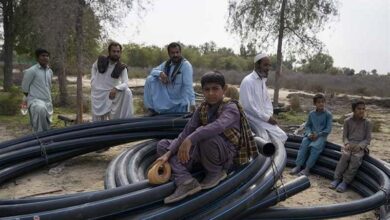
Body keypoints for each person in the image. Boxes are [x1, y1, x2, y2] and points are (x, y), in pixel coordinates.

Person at [155, 71, 258, 204]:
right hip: (202, 152)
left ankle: (215, 173)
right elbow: (187, 131)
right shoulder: (202, 108)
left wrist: (190, 140)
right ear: (202, 91)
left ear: (224, 89)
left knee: (206, 137)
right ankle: (186, 181)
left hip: (225, 156)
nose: (211, 93)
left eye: (215, 89)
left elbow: (218, 126)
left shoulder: (231, 107)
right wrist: (169, 153)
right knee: (163, 145)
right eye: (207, 90)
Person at [239, 53, 288, 144]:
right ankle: (271, 158)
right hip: (251, 119)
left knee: (281, 136)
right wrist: (267, 118)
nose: (268, 68)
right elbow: (248, 107)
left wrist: (269, 115)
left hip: (261, 118)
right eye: (265, 65)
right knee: (281, 136)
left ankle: (273, 157)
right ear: (257, 65)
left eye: (269, 65)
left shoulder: (262, 81)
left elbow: (267, 102)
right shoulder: (248, 81)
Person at [329, 100, 372, 192]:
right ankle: (336, 179)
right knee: (345, 157)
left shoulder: (367, 123)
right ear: (353, 110)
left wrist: (360, 146)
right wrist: (346, 143)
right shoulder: (347, 121)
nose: (361, 111)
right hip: (349, 144)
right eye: (359, 109)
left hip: (360, 146)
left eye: (363, 109)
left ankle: (345, 182)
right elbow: (344, 136)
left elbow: (368, 139)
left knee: (355, 160)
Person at [143, 42, 195, 115]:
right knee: (150, 79)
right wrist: (161, 73)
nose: (175, 55)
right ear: (169, 54)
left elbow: (188, 85)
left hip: (179, 102)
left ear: (180, 52)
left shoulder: (186, 65)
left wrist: (192, 103)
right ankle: (151, 109)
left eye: (177, 52)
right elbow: (153, 71)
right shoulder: (166, 64)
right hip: (167, 99)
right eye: (172, 53)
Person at [290, 93, 333, 176]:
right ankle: (298, 166)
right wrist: (309, 134)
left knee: (314, 148)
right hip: (310, 135)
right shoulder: (311, 114)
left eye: (323, 102)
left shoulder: (328, 115)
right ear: (315, 104)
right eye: (319, 102)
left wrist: (318, 134)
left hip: (321, 136)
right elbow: (308, 125)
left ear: (325, 102)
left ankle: (307, 169)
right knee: (304, 145)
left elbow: (328, 129)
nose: (321, 104)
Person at [91, 42, 133, 121]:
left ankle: (123, 123)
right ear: (109, 52)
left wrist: (116, 88)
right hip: (98, 93)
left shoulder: (121, 67)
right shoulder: (101, 61)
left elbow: (126, 83)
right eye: (114, 51)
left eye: (118, 51)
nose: (116, 54)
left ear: (120, 53)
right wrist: (93, 80)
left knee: (127, 92)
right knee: (97, 122)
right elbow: (93, 67)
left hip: (111, 94)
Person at [21, 48, 53, 132]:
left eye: (47, 56)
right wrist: (26, 101)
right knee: (40, 109)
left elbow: (49, 87)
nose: (45, 58)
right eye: (43, 56)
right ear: (37, 58)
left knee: (46, 127)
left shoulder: (50, 71)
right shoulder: (31, 71)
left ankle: (46, 141)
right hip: (35, 101)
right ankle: (39, 141)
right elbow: (24, 88)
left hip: (47, 102)